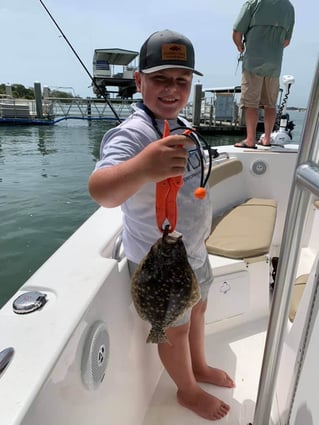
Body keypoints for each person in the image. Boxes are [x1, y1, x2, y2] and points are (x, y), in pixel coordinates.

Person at [88, 29, 235, 421]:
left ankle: (200, 367)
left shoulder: (182, 124)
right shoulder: (133, 134)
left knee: (200, 310)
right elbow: (101, 191)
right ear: (139, 81)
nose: (172, 89)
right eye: (160, 79)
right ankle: (187, 390)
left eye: (181, 81)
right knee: (175, 330)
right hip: (158, 264)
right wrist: (142, 167)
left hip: (193, 254)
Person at [232, 0, 295, 149]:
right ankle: (267, 138)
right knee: (270, 104)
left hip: (253, 62)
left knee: (250, 103)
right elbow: (286, 41)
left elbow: (236, 33)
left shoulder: (253, 3)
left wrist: (240, 46)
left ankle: (250, 140)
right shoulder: (288, 7)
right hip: (274, 63)